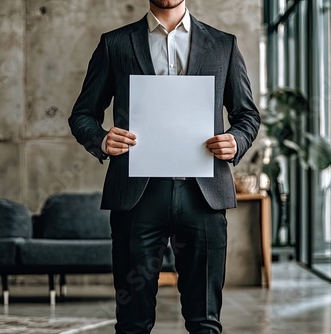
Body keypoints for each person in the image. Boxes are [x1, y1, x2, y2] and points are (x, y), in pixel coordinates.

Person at [69, 1, 260, 333]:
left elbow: (247, 116)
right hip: (137, 197)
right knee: (132, 323)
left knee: (205, 322)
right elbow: (83, 114)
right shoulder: (115, 44)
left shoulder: (222, 44)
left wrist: (236, 141)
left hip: (204, 196)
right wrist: (101, 140)